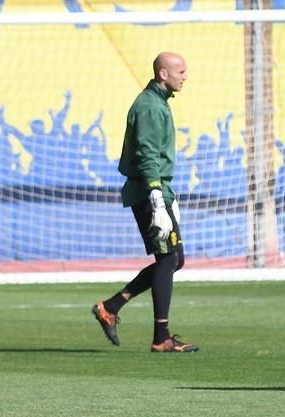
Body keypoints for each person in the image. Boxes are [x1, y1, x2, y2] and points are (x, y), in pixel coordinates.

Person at [91, 52, 199, 353]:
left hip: (158, 190)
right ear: (163, 74)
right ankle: (161, 337)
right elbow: (148, 155)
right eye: (180, 70)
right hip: (150, 192)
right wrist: (156, 196)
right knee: (168, 259)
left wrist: (166, 196)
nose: (185, 76)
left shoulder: (157, 103)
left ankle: (111, 307)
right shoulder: (150, 107)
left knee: (174, 259)